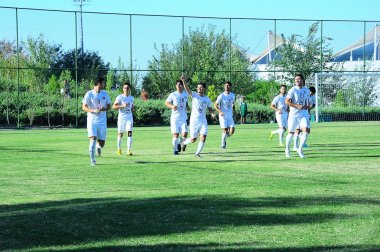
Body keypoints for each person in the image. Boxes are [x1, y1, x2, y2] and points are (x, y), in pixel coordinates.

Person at [181, 75, 214, 157]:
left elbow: (210, 108)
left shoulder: (207, 99)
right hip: (194, 121)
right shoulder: (194, 95)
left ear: (204, 89)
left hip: (203, 121)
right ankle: (184, 142)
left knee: (203, 137)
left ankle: (197, 153)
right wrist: (184, 81)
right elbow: (187, 89)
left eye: (201, 87)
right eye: (198, 87)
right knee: (193, 139)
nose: (199, 89)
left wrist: (212, 113)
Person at [82, 77, 111, 166]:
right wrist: (93, 110)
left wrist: (103, 108)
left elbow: (109, 106)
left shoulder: (105, 94)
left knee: (102, 142)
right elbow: (84, 107)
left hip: (102, 121)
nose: (103, 85)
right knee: (93, 138)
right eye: (103, 83)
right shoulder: (89, 94)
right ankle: (92, 160)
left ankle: (99, 147)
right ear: (99, 84)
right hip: (92, 120)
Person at [284, 74, 310, 158]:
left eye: (298, 79)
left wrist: (307, 107)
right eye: (295, 80)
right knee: (291, 133)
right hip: (293, 115)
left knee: (305, 131)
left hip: (303, 114)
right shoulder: (292, 90)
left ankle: (300, 149)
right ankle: (287, 150)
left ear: (302, 80)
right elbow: (287, 101)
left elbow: (307, 102)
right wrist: (297, 106)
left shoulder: (306, 90)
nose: (297, 81)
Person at [165, 78, 189, 155]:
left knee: (185, 134)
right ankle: (175, 149)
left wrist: (188, 107)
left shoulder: (185, 94)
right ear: (176, 86)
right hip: (175, 118)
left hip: (183, 117)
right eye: (177, 84)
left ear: (182, 85)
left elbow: (186, 102)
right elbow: (166, 103)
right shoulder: (173, 94)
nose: (178, 86)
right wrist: (172, 106)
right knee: (176, 135)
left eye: (180, 84)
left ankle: (180, 143)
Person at [113, 82, 134, 156]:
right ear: (123, 89)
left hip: (129, 117)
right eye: (125, 88)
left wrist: (131, 111)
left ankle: (129, 150)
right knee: (120, 134)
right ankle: (119, 149)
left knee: (129, 133)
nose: (126, 89)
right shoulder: (120, 97)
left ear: (129, 89)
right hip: (122, 117)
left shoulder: (132, 98)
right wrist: (122, 106)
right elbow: (114, 106)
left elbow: (132, 107)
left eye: (127, 88)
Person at [214, 81, 236, 149]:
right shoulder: (221, 95)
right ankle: (223, 144)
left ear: (230, 87)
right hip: (223, 116)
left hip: (230, 115)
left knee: (232, 132)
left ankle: (224, 137)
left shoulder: (233, 95)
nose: (226, 87)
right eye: (225, 85)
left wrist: (234, 111)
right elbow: (215, 105)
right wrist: (220, 112)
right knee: (225, 131)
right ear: (224, 87)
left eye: (228, 85)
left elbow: (233, 104)